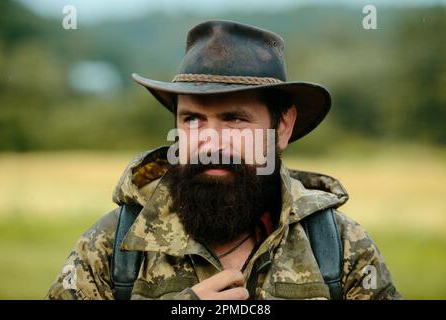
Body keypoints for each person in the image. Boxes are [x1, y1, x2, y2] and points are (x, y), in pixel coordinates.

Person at [46, 20, 402, 300]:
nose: (209, 140)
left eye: (234, 119)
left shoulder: (337, 246)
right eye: (192, 119)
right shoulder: (114, 246)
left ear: (283, 127)